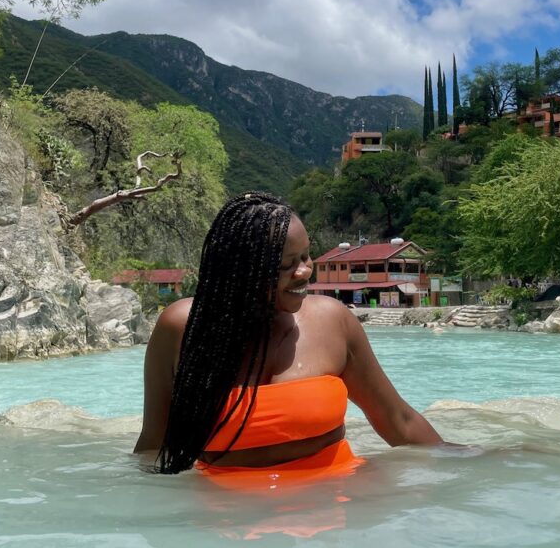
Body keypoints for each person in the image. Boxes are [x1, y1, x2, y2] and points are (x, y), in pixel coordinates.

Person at [134, 191, 444, 487]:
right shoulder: (183, 329)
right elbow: (154, 446)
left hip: (336, 507)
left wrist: (469, 460)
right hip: (229, 522)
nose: (304, 272)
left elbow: (399, 421)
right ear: (239, 268)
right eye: (286, 264)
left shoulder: (332, 322)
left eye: (307, 257)